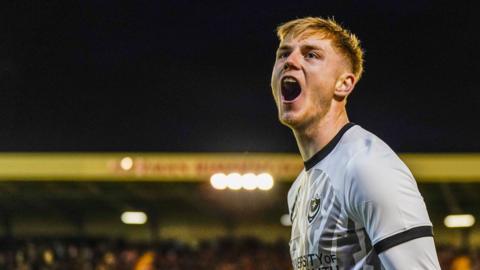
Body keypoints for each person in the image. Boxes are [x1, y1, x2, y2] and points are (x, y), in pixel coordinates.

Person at [270, 17, 440, 269]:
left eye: (311, 55)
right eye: (283, 54)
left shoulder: (368, 166)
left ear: (344, 84)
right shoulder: (299, 188)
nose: (290, 62)